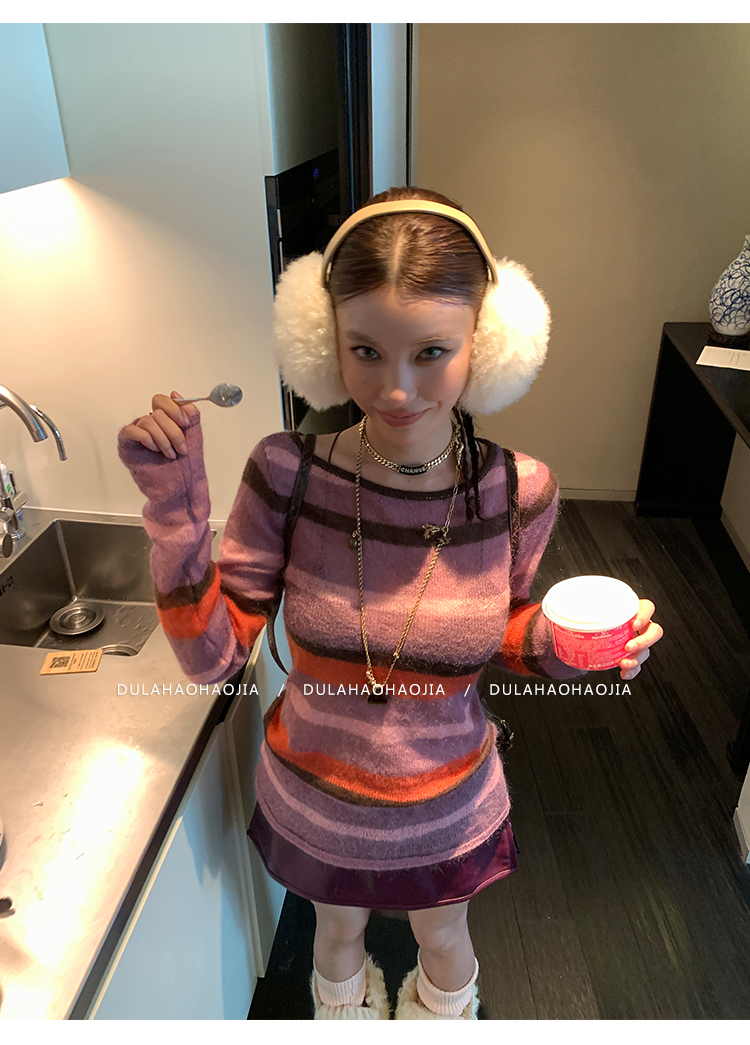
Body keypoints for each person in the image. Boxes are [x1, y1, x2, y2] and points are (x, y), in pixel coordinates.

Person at [117, 187, 664, 1020]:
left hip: (448, 809)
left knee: (444, 939)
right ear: (322, 341)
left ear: (488, 346)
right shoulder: (287, 474)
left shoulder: (518, 491)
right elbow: (212, 657)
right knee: (335, 934)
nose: (397, 389)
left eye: (432, 351)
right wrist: (175, 508)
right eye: (365, 351)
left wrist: (575, 643)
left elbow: (507, 629)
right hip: (316, 803)